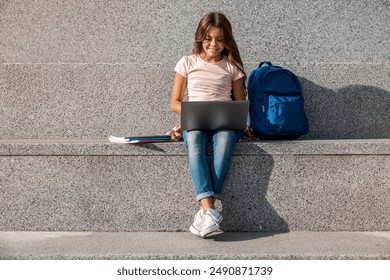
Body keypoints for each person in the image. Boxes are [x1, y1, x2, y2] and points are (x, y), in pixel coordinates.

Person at [169, 12, 246, 238]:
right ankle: (209, 211)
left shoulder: (233, 67)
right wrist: (189, 114)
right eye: (209, 38)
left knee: (222, 145)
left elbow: (240, 104)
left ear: (227, 40)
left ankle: (206, 213)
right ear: (200, 37)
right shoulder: (187, 62)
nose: (214, 44)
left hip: (226, 123)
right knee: (194, 142)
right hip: (195, 119)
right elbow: (175, 102)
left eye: (220, 39)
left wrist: (244, 125)